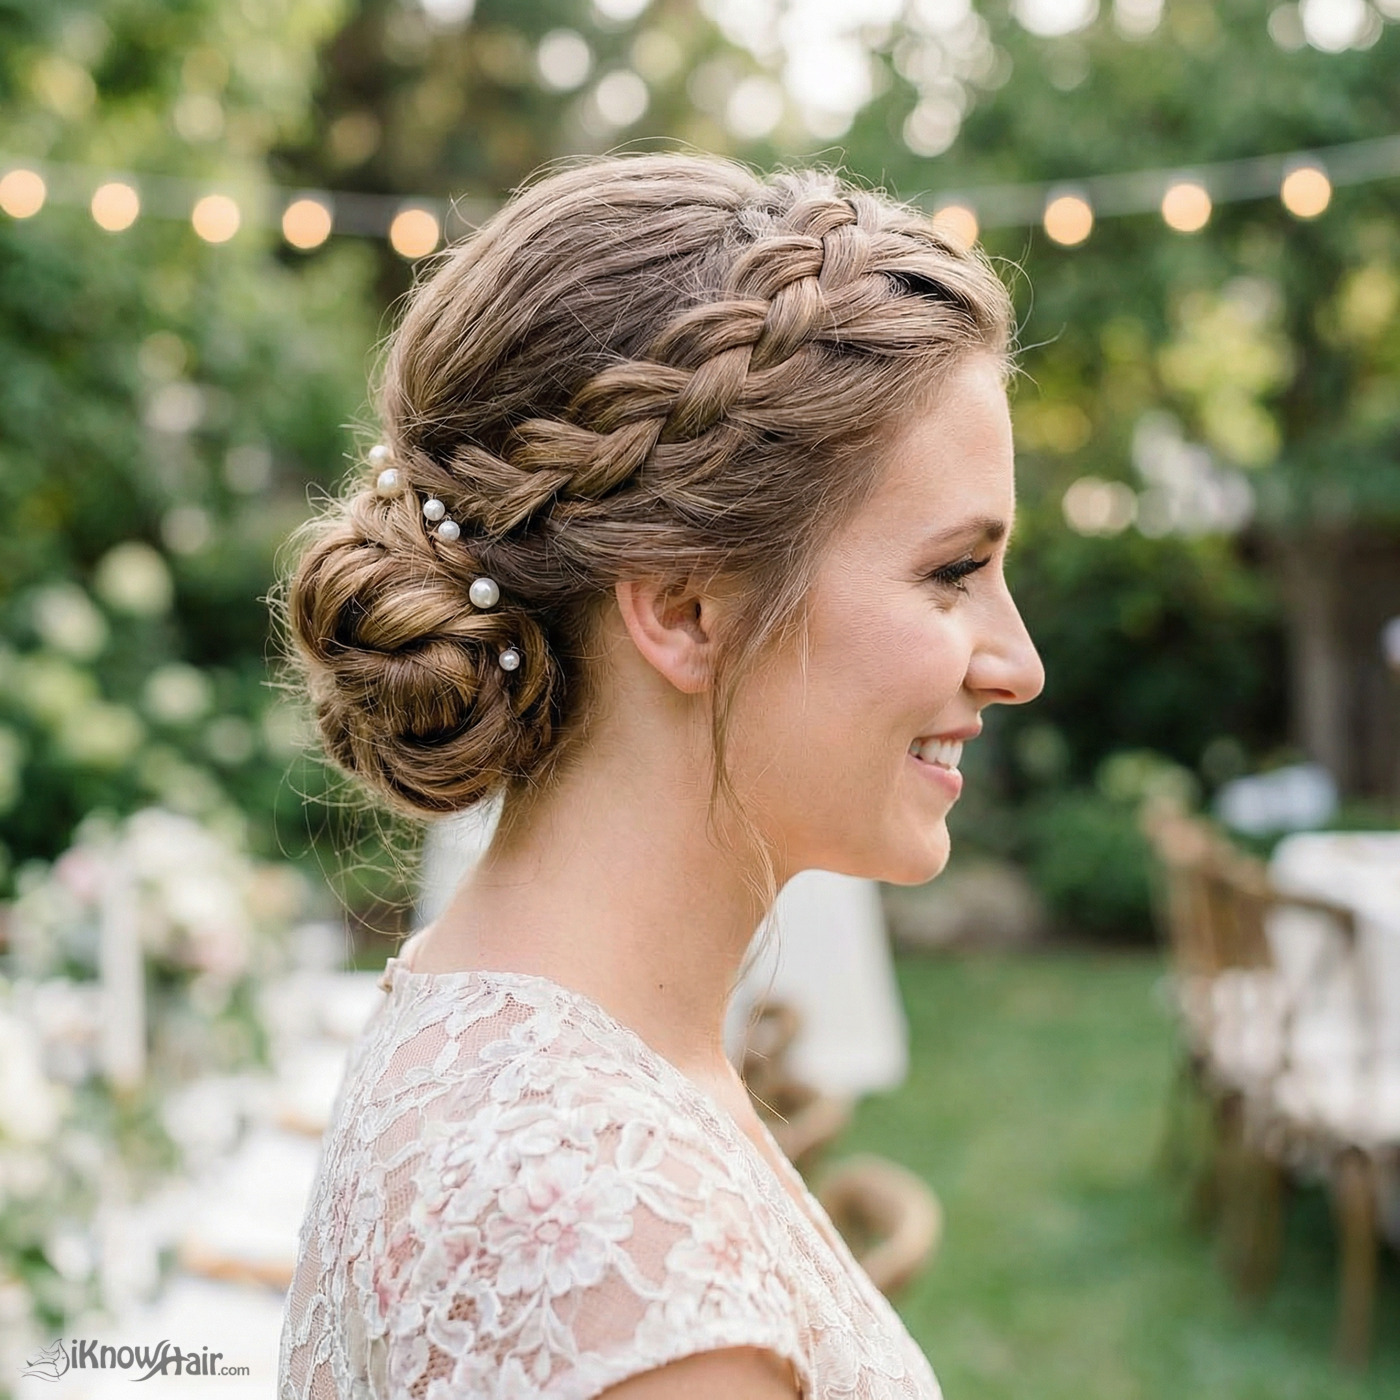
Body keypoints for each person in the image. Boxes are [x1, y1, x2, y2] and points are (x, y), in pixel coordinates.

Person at [276, 151, 1043, 1400]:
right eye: (950, 571)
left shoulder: (506, 1030)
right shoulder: (610, 1251)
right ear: (685, 608)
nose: (1016, 663)